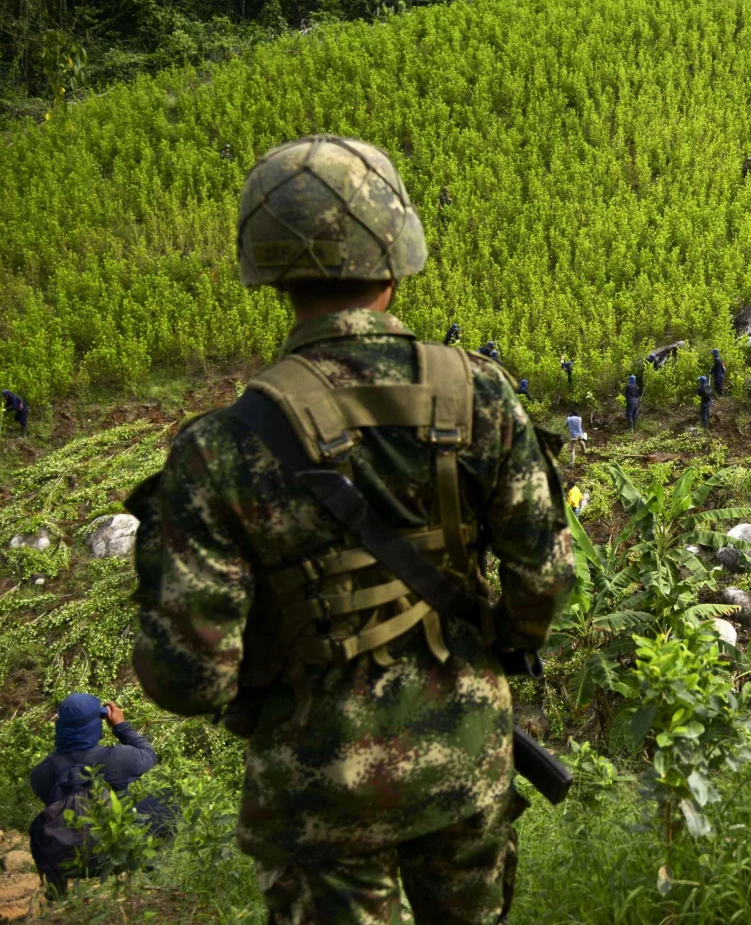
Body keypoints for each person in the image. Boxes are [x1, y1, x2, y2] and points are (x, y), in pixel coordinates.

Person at [127, 135, 573, 925]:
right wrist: (497, 638)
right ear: (395, 256)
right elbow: (543, 579)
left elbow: (187, 681)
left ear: (270, 274)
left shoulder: (219, 447)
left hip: (316, 790)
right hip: (467, 760)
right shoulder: (482, 397)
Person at [29, 693, 171, 883]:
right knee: (169, 799)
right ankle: (152, 876)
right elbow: (149, 755)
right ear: (96, 725)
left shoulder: (41, 773)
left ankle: (58, 893)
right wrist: (121, 726)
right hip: (114, 855)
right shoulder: (114, 759)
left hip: (69, 862)